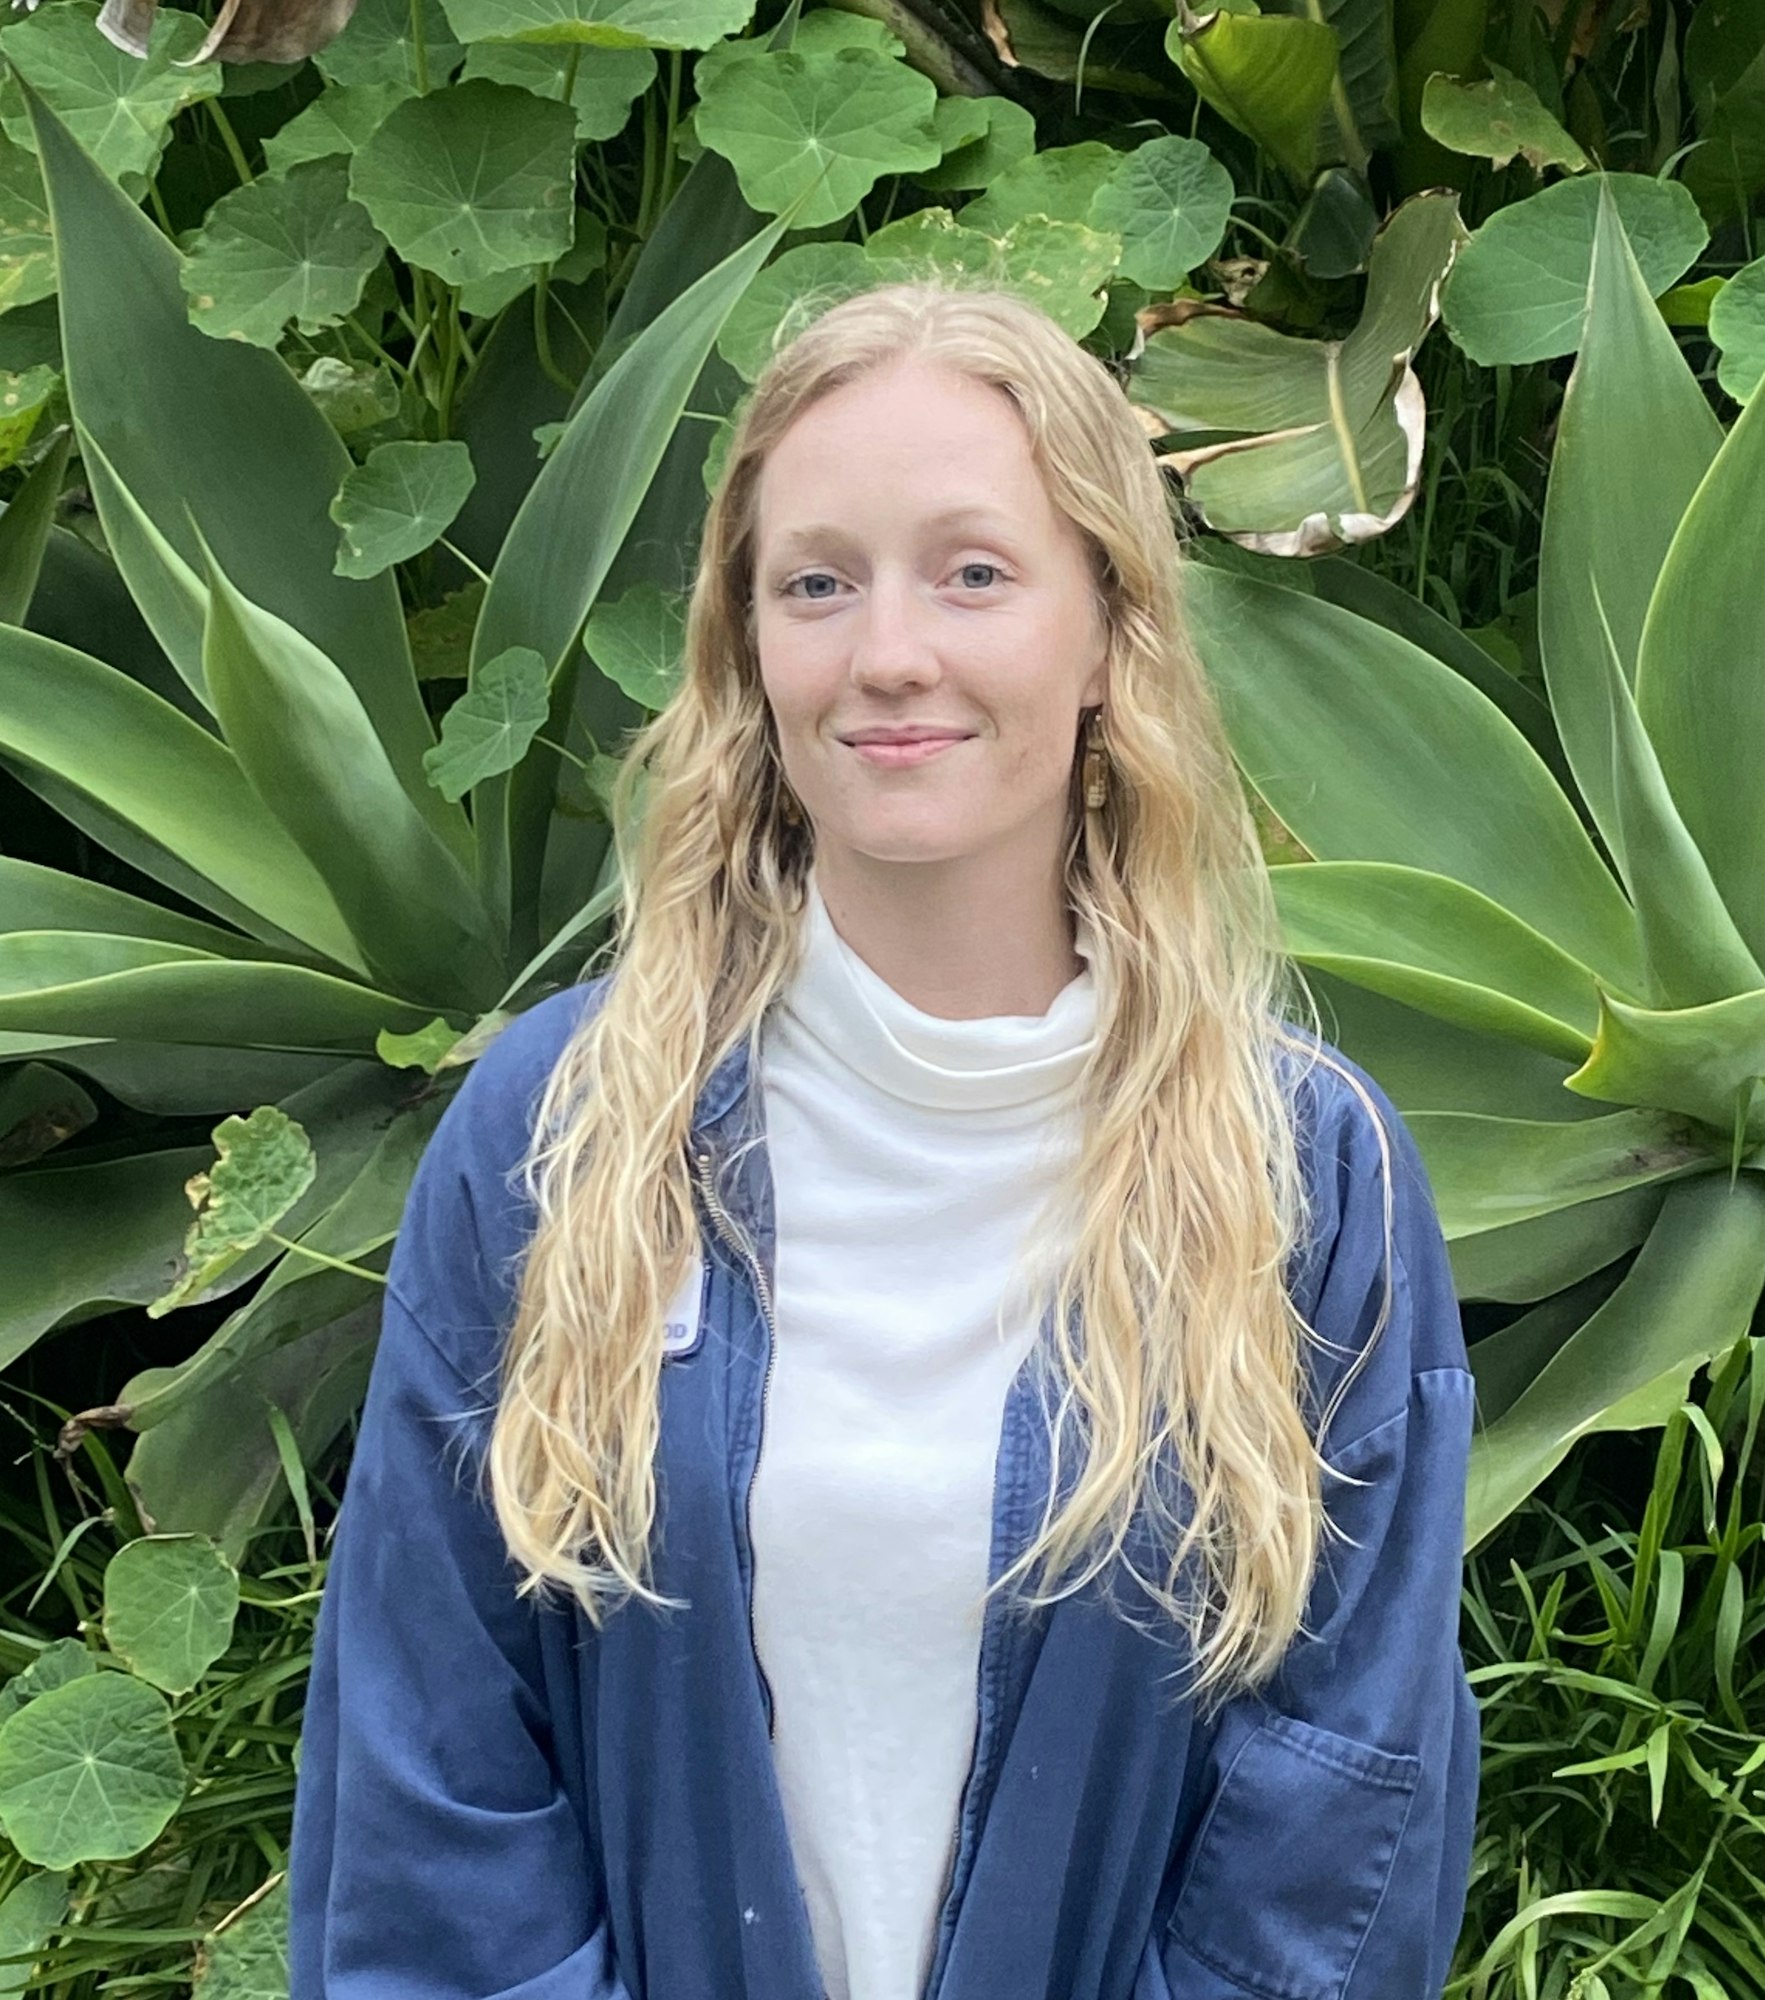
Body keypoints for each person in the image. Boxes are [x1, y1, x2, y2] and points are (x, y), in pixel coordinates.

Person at [288, 279, 1480, 2000]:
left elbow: (1339, 1811)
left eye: (974, 572)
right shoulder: (555, 1131)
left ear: (1107, 632)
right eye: (817, 582)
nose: (887, 652)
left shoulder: (1304, 1175)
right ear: (747, 645)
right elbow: (432, 1759)